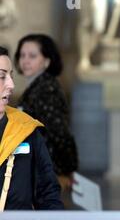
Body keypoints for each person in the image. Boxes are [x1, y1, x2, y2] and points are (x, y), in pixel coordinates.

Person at [14, 34, 78, 206]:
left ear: (47, 61)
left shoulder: (46, 89)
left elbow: (60, 133)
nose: (25, 60)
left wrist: (69, 169)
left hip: (46, 171)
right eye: (22, 55)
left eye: (32, 56)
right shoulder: (37, 86)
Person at [0, 46, 63, 210]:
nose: (11, 85)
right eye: (2, 76)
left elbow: (49, 193)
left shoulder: (25, 130)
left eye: (11, 76)